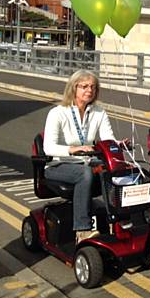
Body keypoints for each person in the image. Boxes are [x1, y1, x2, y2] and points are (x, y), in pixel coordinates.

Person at [43, 70, 120, 244]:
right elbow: (48, 147)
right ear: (73, 88)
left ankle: (117, 220)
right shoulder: (58, 113)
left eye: (93, 87)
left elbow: (108, 139)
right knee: (84, 173)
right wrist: (73, 149)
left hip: (87, 162)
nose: (89, 90)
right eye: (84, 86)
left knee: (115, 170)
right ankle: (82, 230)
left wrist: (118, 144)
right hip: (59, 165)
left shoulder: (99, 112)